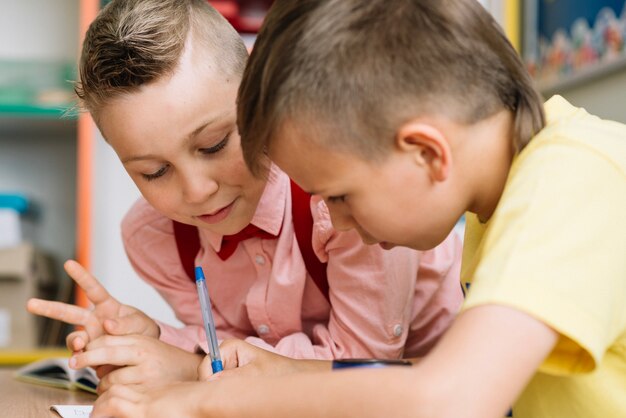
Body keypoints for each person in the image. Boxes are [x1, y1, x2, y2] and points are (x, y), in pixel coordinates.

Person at [89, 0, 626, 417]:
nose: (336, 221)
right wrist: (268, 375)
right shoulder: (512, 196)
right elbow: (433, 375)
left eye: (340, 197)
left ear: (426, 153)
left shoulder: (575, 176)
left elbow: (447, 400)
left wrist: (198, 400)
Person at [27, 0, 463, 394]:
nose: (197, 191)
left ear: (256, 95)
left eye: (215, 144)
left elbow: (363, 365)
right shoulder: (153, 237)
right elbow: (229, 347)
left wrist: (181, 365)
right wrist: (150, 338)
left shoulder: (343, 200)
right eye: (153, 172)